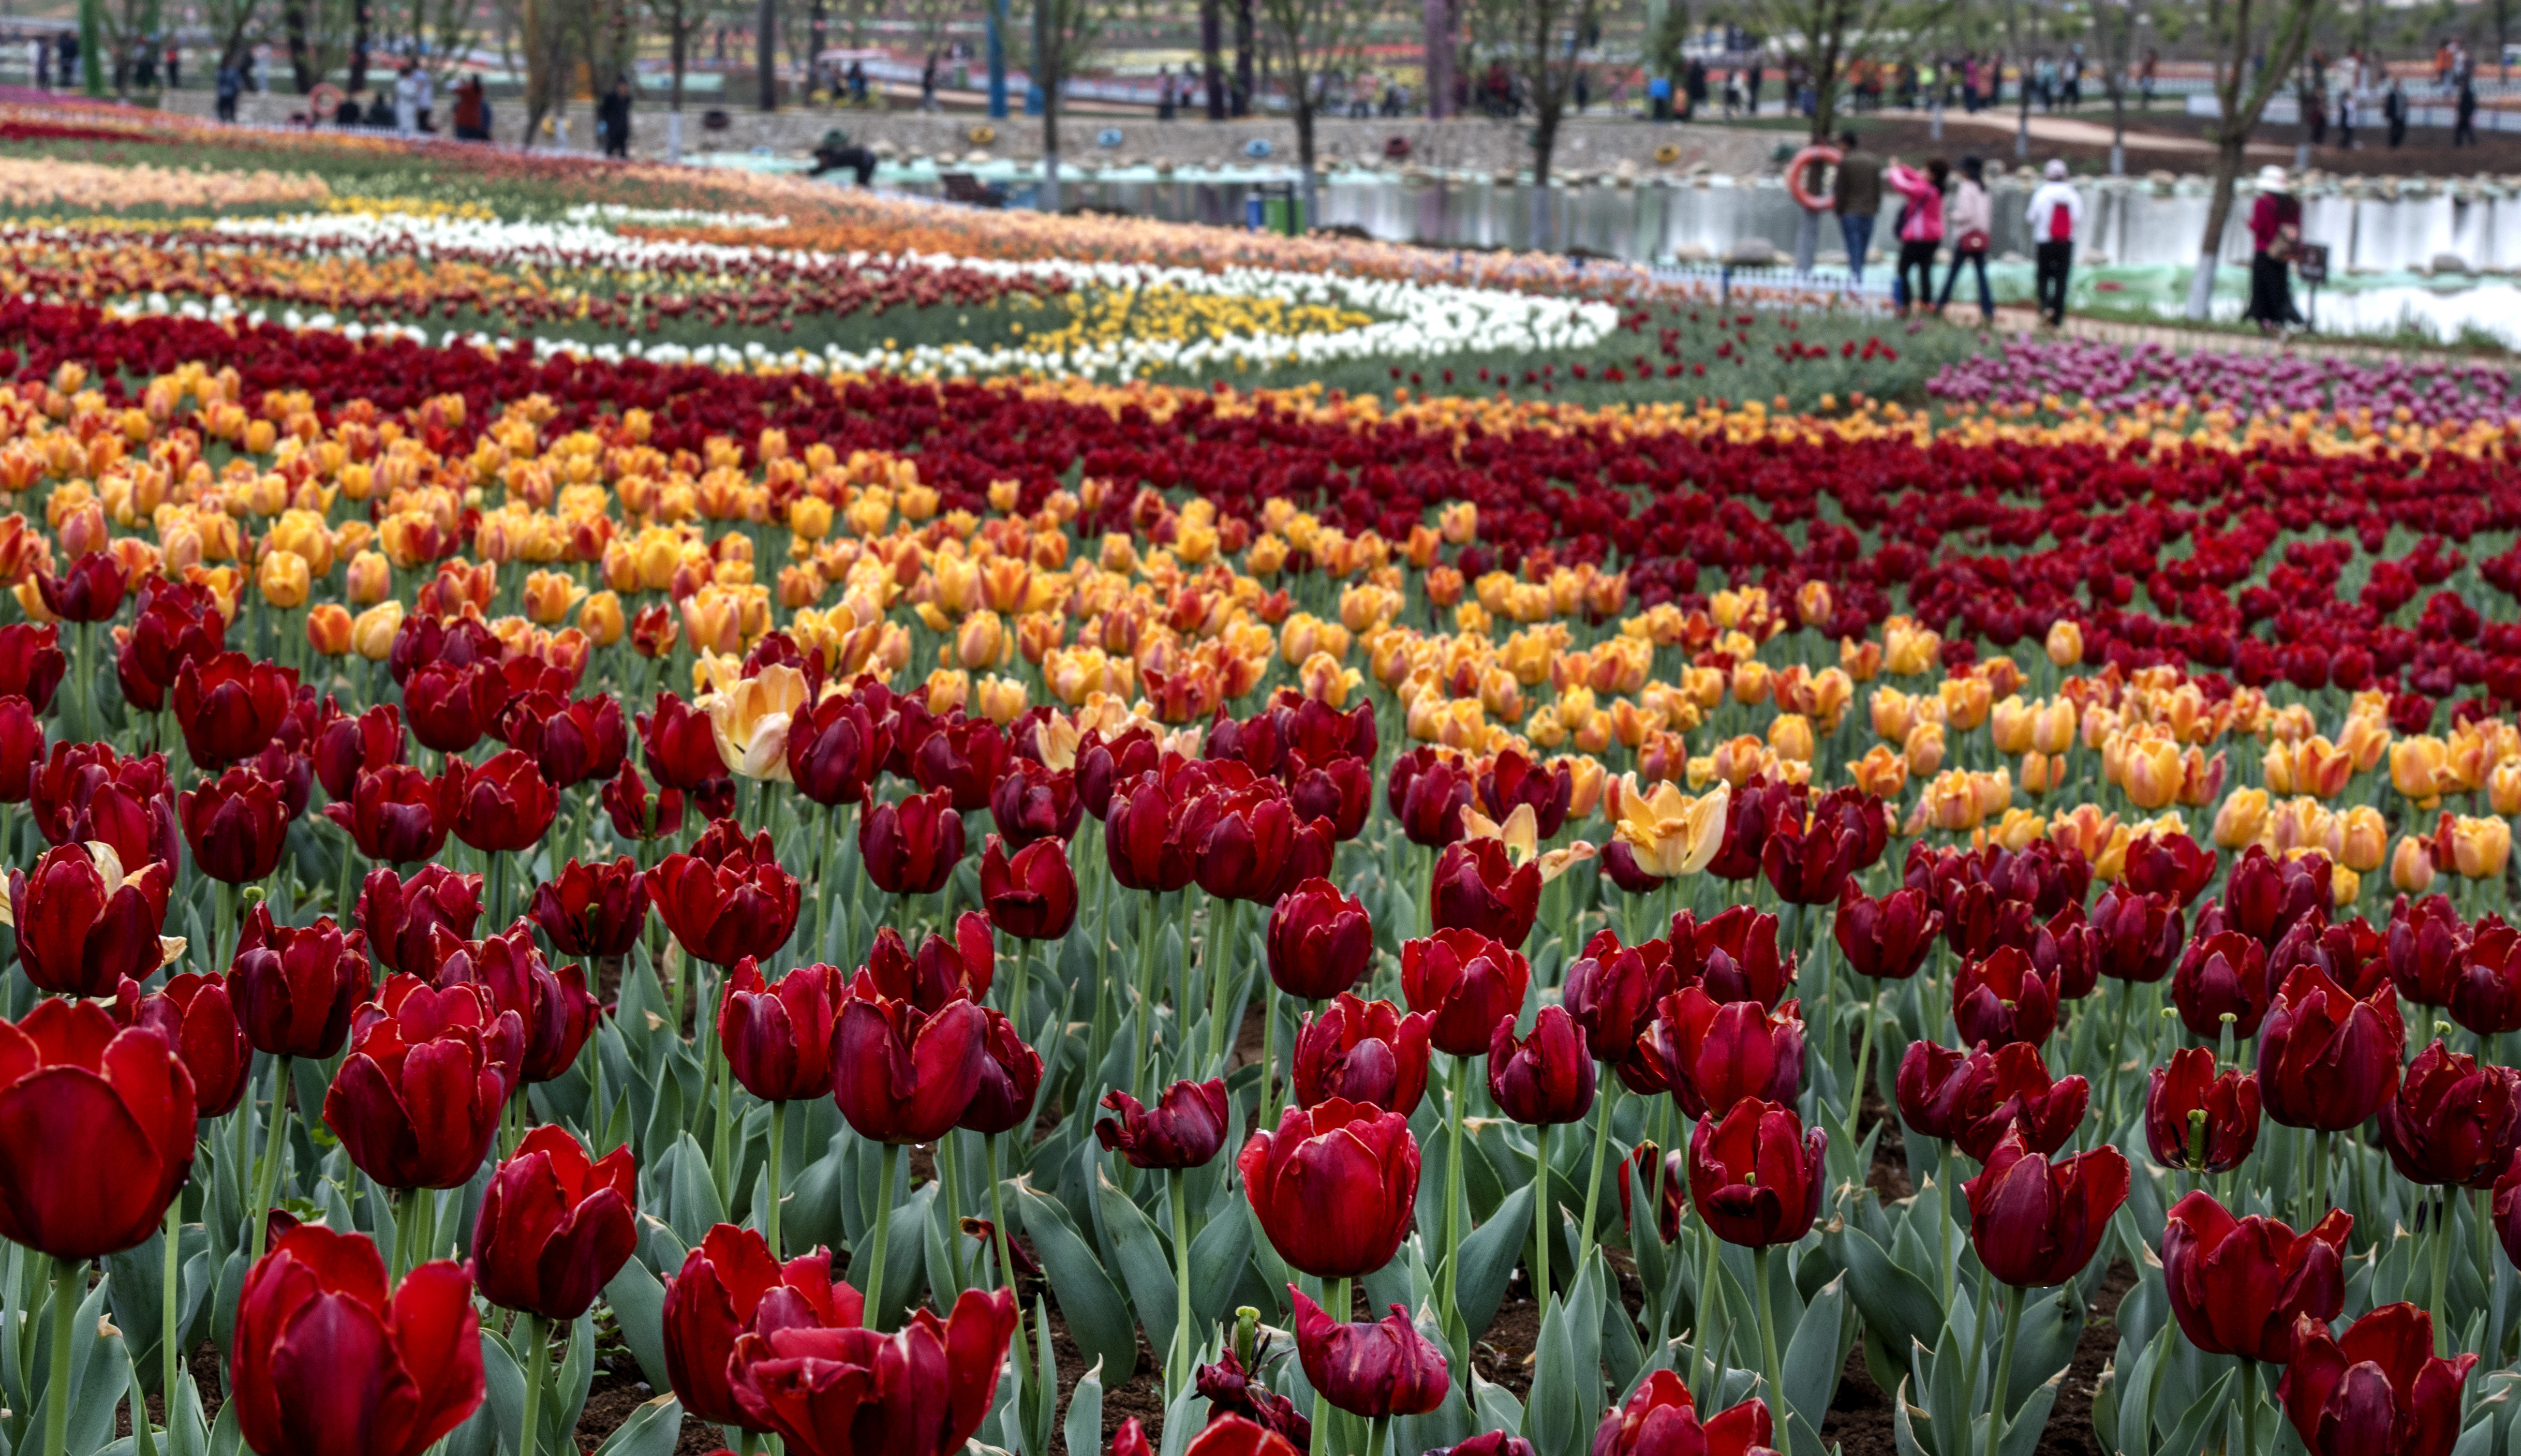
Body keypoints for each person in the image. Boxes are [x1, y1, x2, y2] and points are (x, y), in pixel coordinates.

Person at [2244, 165, 2304, 334]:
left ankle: (2263, 320)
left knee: (2262, 288)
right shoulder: (2293, 204)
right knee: (2280, 286)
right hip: (2283, 253)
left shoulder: (2262, 203)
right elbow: (2297, 228)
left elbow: (2259, 228)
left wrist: (2249, 224)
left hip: (2264, 251)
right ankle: (2282, 319)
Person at [1885, 155, 1947, 316]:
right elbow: (1915, 177)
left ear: (1932, 175)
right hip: (1933, 238)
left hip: (1918, 238)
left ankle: (1905, 305)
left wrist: (1893, 170)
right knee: (1925, 271)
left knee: (1903, 270)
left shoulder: (1924, 189)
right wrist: (1902, 167)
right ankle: (1927, 303)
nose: (1922, 172)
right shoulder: (1934, 190)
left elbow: (1902, 185)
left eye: (1926, 170)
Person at [1937, 155, 1995, 323]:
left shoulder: (1966, 188)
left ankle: (1940, 306)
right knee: (1982, 276)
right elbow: (1986, 216)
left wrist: (1951, 215)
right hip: (1981, 238)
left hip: (1967, 237)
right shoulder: (1983, 189)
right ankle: (1988, 310)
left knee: (1953, 274)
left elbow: (1967, 214)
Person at [2026, 158, 2083, 326]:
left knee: (2043, 277)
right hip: (2066, 242)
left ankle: (2044, 309)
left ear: (2047, 176)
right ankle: (2057, 317)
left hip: (2044, 242)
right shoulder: (2073, 195)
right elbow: (2078, 219)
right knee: (2061, 279)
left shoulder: (2042, 193)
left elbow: (2031, 217)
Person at [1831, 129, 1882, 287]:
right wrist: (1875, 208)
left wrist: (1839, 211)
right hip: (1869, 213)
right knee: (1862, 251)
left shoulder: (1845, 163)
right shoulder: (1873, 161)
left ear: (1845, 144)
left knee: (1854, 250)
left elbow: (1840, 190)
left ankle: (1856, 284)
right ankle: (1859, 281)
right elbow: (1877, 189)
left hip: (1850, 213)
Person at [598, 76, 632, 157]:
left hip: (623, 129)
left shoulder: (627, 98)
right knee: (609, 151)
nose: (623, 88)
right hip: (612, 128)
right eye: (622, 86)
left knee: (623, 153)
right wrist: (607, 121)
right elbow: (603, 110)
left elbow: (626, 114)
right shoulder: (610, 97)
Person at [451, 73, 488, 140]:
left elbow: (455, 91)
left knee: (461, 144)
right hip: (475, 121)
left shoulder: (467, 89)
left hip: (463, 120)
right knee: (473, 144)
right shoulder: (480, 90)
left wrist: (462, 83)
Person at [215, 56, 242, 121]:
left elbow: (237, 84)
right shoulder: (232, 71)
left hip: (227, 94)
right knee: (228, 111)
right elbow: (238, 84)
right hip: (227, 94)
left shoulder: (223, 71)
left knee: (226, 111)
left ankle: (226, 121)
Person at [2386, 78, 2408, 148]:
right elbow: (2389, 106)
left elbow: (2405, 105)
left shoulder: (2403, 95)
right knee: (2394, 131)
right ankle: (2393, 144)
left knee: (2401, 131)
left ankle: (2397, 144)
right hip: (2395, 116)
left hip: (2401, 115)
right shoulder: (2392, 95)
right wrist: (2388, 115)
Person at [2456, 79, 2479, 144]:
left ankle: (2459, 143)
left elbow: (2465, 104)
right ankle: (2471, 142)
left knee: (2460, 129)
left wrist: (2463, 111)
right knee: (2466, 128)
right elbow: (2472, 104)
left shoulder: (2466, 93)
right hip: (2466, 113)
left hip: (2465, 113)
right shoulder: (2468, 93)